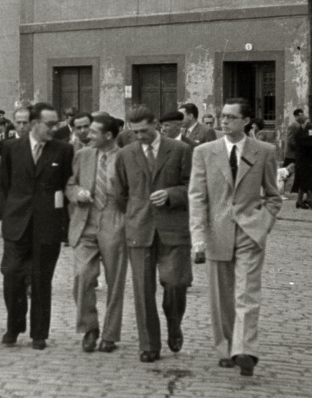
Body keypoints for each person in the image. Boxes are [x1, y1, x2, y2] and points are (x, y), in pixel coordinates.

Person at [189, 97, 282, 377]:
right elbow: (197, 197)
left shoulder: (264, 151)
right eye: (223, 116)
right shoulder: (205, 152)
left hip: (249, 232)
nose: (225, 121)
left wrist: (263, 224)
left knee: (246, 293)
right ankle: (226, 348)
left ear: (246, 121)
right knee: (221, 297)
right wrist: (198, 236)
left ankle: (245, 351)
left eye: (231, 117)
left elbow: (273, 196)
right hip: (216, 232)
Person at [115, 105, 193, 364]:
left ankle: (174, 323)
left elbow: (194, 187)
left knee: (176, 283)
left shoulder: (180, 150)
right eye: (135, 132)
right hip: (139, 229)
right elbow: (120, 194)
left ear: (156, 124)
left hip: (174, 227)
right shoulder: (125, 154)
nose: (140, 136)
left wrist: (172, 194)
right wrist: (134, 214)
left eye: (144, 131)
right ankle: (149, 344)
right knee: (142, 290)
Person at [0, 102, 73, 350]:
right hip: (16, 223)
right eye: (49, 124)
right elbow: (3, 185)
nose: (54, 128)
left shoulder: (63, 150)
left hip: (47, 225)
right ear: (33, 124)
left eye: (56, 123)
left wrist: (62, 225)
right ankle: (14, 325)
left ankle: (39, 333)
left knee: (42, 279)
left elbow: (65, 186)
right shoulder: (10, 148)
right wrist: (6, 214)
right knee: (11, 274)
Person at [66, 114, 128, 354]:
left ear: (109, 135)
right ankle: (89, 327)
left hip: (115, 220)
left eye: (93, 132)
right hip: (86, 221)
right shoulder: (83, 155)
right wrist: (77, 193)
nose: (86, 134)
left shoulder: (125, 157)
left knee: (115, 281)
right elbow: (70, 184)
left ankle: (110, 335)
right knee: (82, 276)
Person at [291, 121, 312, 210]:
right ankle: (311, 201)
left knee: (304, 183)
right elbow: (305, 148)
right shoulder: (302, 138)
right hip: (303, 163)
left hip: (309, 163)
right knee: (308, 183)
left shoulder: (310, 138)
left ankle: (300, 201)